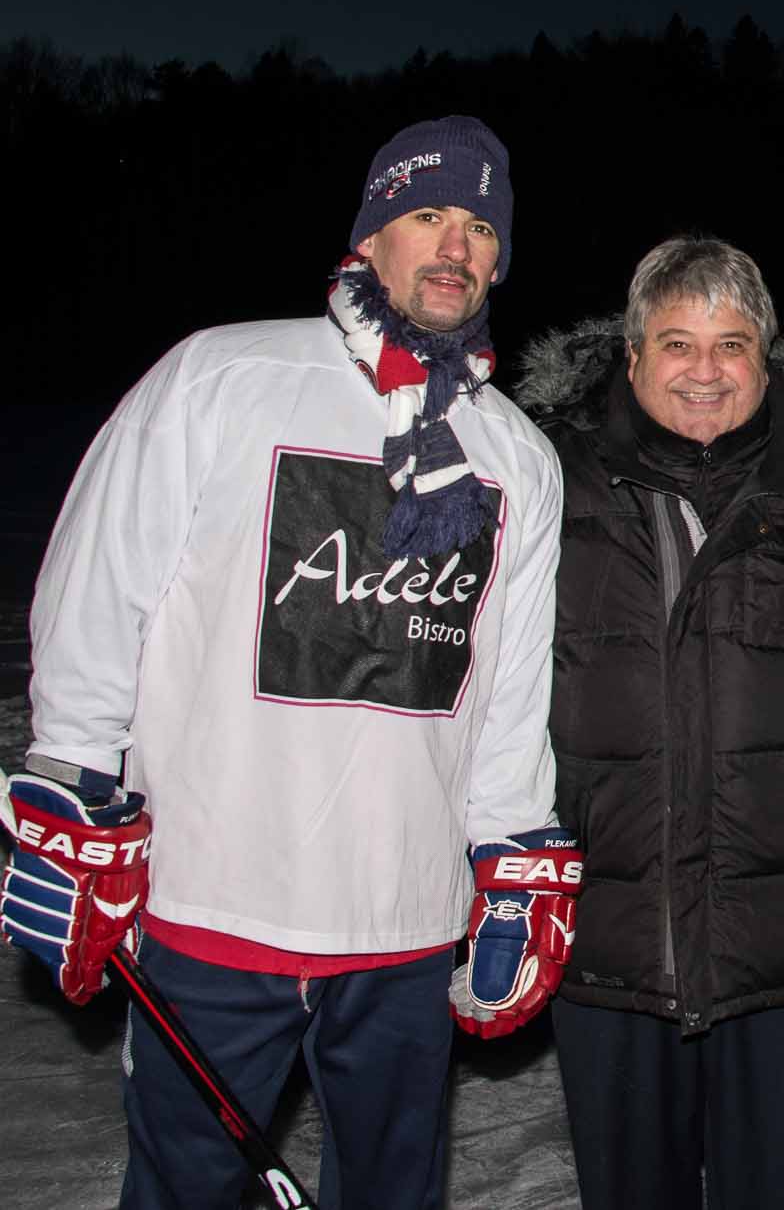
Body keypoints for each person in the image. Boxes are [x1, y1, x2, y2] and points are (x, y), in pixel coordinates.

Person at [1, 117, 570, 1210]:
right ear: (368, 239)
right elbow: (98, 587)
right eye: (425, 216)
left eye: (479, 227)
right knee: (185, 1189)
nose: (453, 246)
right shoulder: (222, 376)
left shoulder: (516, 456)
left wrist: (511, 846)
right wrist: (71, 774)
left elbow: (506, 689)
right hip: (217, 908)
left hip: (403, 924)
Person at [514, 236, 784, 1210]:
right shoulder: (546, 479)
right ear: (629, 353)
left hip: (783, 941)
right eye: (676, 343)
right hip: (610, 935)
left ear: (766, 353)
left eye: (730, 343)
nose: (704, 370)